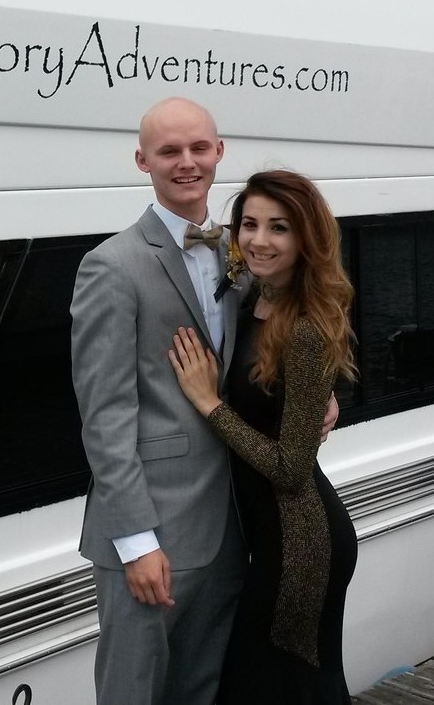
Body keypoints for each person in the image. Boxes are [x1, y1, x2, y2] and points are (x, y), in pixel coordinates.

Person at [71, 96, 244, 705]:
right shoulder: (111, 266)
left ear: (219, 151)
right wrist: (136, 541)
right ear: (143, 160)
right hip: (152, 535)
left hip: (229, 526)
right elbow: (105, 415)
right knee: (133, 692)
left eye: (198, 148)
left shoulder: (240, 252)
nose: (187, 162)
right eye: (170, 151)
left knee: (200, 689)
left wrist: (325, 391)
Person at [169, 169, 359, 704]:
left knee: (293, 685)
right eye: (249, 224)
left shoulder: (305, 326)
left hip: (300, 544)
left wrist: (210, 404)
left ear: (306, 238)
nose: (258, 240)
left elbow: (291, 469)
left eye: (279, 228)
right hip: (269, 536)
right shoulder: (253, 297)